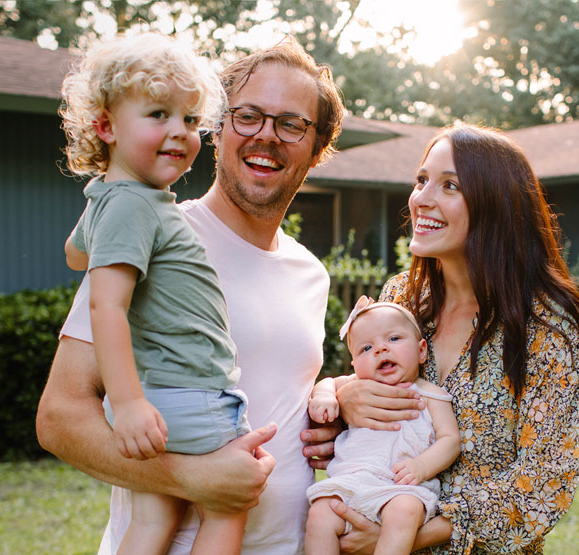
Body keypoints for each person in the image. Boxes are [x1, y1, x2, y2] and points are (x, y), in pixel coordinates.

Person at [36, 38, 347, 554]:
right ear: (219, 126)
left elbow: (275, 395)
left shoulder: (311, 273)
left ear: (317, 149)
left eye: (291, 124)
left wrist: (333, 414)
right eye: (247, 116)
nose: (265, 136)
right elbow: (59, 418)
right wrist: (190, 477)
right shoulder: (151, 234)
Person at [310, 123, 579, 554]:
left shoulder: (544, 324)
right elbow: (368, 393)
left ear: (495, 205)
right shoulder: (401, 299)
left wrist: (403, 536)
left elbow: (544, 484)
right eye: (422, 180)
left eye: (450, 185)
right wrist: (345, 402)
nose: (421, 198)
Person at [57, 33, 244, 554]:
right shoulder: (135, 207)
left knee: (152, 518)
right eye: (158, 114)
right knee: (230, 503)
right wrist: (128, 402)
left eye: (189, 120)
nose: (179, 133)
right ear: (105, 126)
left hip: (161, 397)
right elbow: (106, 306)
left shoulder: (114, 199)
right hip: (186, 393)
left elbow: (75, 253)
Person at [304, 297, 460, 555]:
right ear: (354, 364)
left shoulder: (429, 395)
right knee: (320, 514)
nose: (380, 350)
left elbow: (450, 439)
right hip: (352, 480)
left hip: (402, 486)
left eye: (394, 339)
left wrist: (422, 466)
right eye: (366, 348)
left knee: (404, 512)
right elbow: (328, 382)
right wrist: (324, 396)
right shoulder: (356, 384)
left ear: (422, 351)